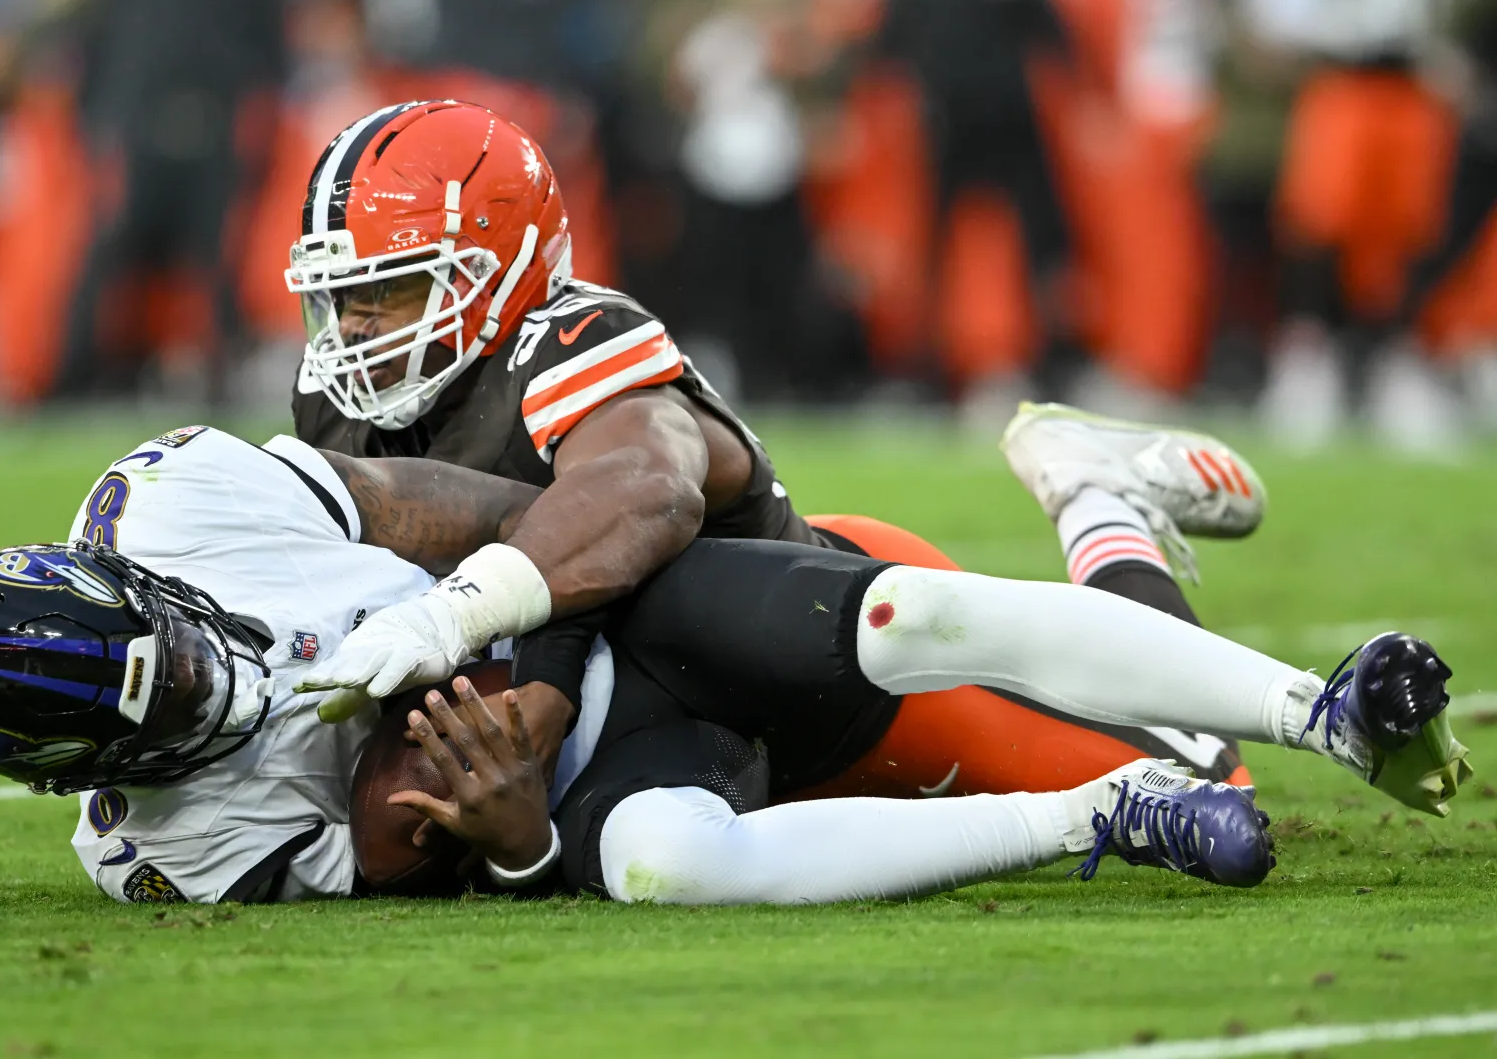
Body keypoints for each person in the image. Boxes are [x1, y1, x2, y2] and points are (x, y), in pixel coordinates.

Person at [0, 423, 1467, 903]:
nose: (209, 692)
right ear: (88, 782)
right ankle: (1104, 803)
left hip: (634, 596)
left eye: (172, 658)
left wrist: (502, 631)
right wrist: (513, 840)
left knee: (907, 618)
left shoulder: (194, 499)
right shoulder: (169, 853)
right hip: (603, 757)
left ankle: (1313, 696)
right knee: (653, 859)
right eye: (165, 725)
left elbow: (583, 503)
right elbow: (405, 853)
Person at [286, 99, 1253, 791]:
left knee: (1204, 773)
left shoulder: (574, 341)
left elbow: (643, 495)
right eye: (343, 296)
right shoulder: (333, 400)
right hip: (679, 715)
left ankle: (1096, 498)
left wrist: (465, 621)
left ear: (501, 273)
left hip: (843, 652)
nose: (360, 326)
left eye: (398, 289)